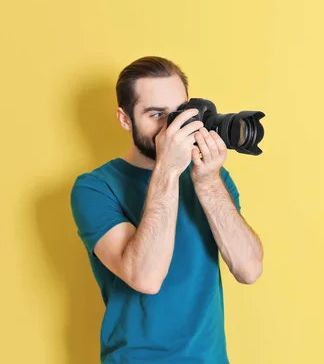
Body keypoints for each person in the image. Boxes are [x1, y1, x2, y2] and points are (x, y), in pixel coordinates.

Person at [70, 56, 264, 363]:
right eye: (156, 114)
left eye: (178, 113)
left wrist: (209, 181)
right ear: (124, 118)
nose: (171, 127)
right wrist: (168, 171)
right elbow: (146, 278)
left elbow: (249, 269)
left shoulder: (209, 175)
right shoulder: (95, 188)